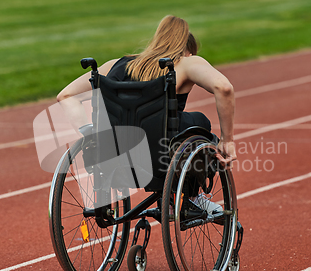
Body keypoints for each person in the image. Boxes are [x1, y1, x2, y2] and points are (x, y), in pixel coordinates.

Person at [57, 15, 236, 166]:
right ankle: (194, 196)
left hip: (116, 146)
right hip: (161, 148)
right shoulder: (186, 62)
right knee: (200, 121)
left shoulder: (114, 65)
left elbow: (65, 95)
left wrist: (90, 134)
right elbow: (224, 87)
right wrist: (227, 140)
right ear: (187, 51)